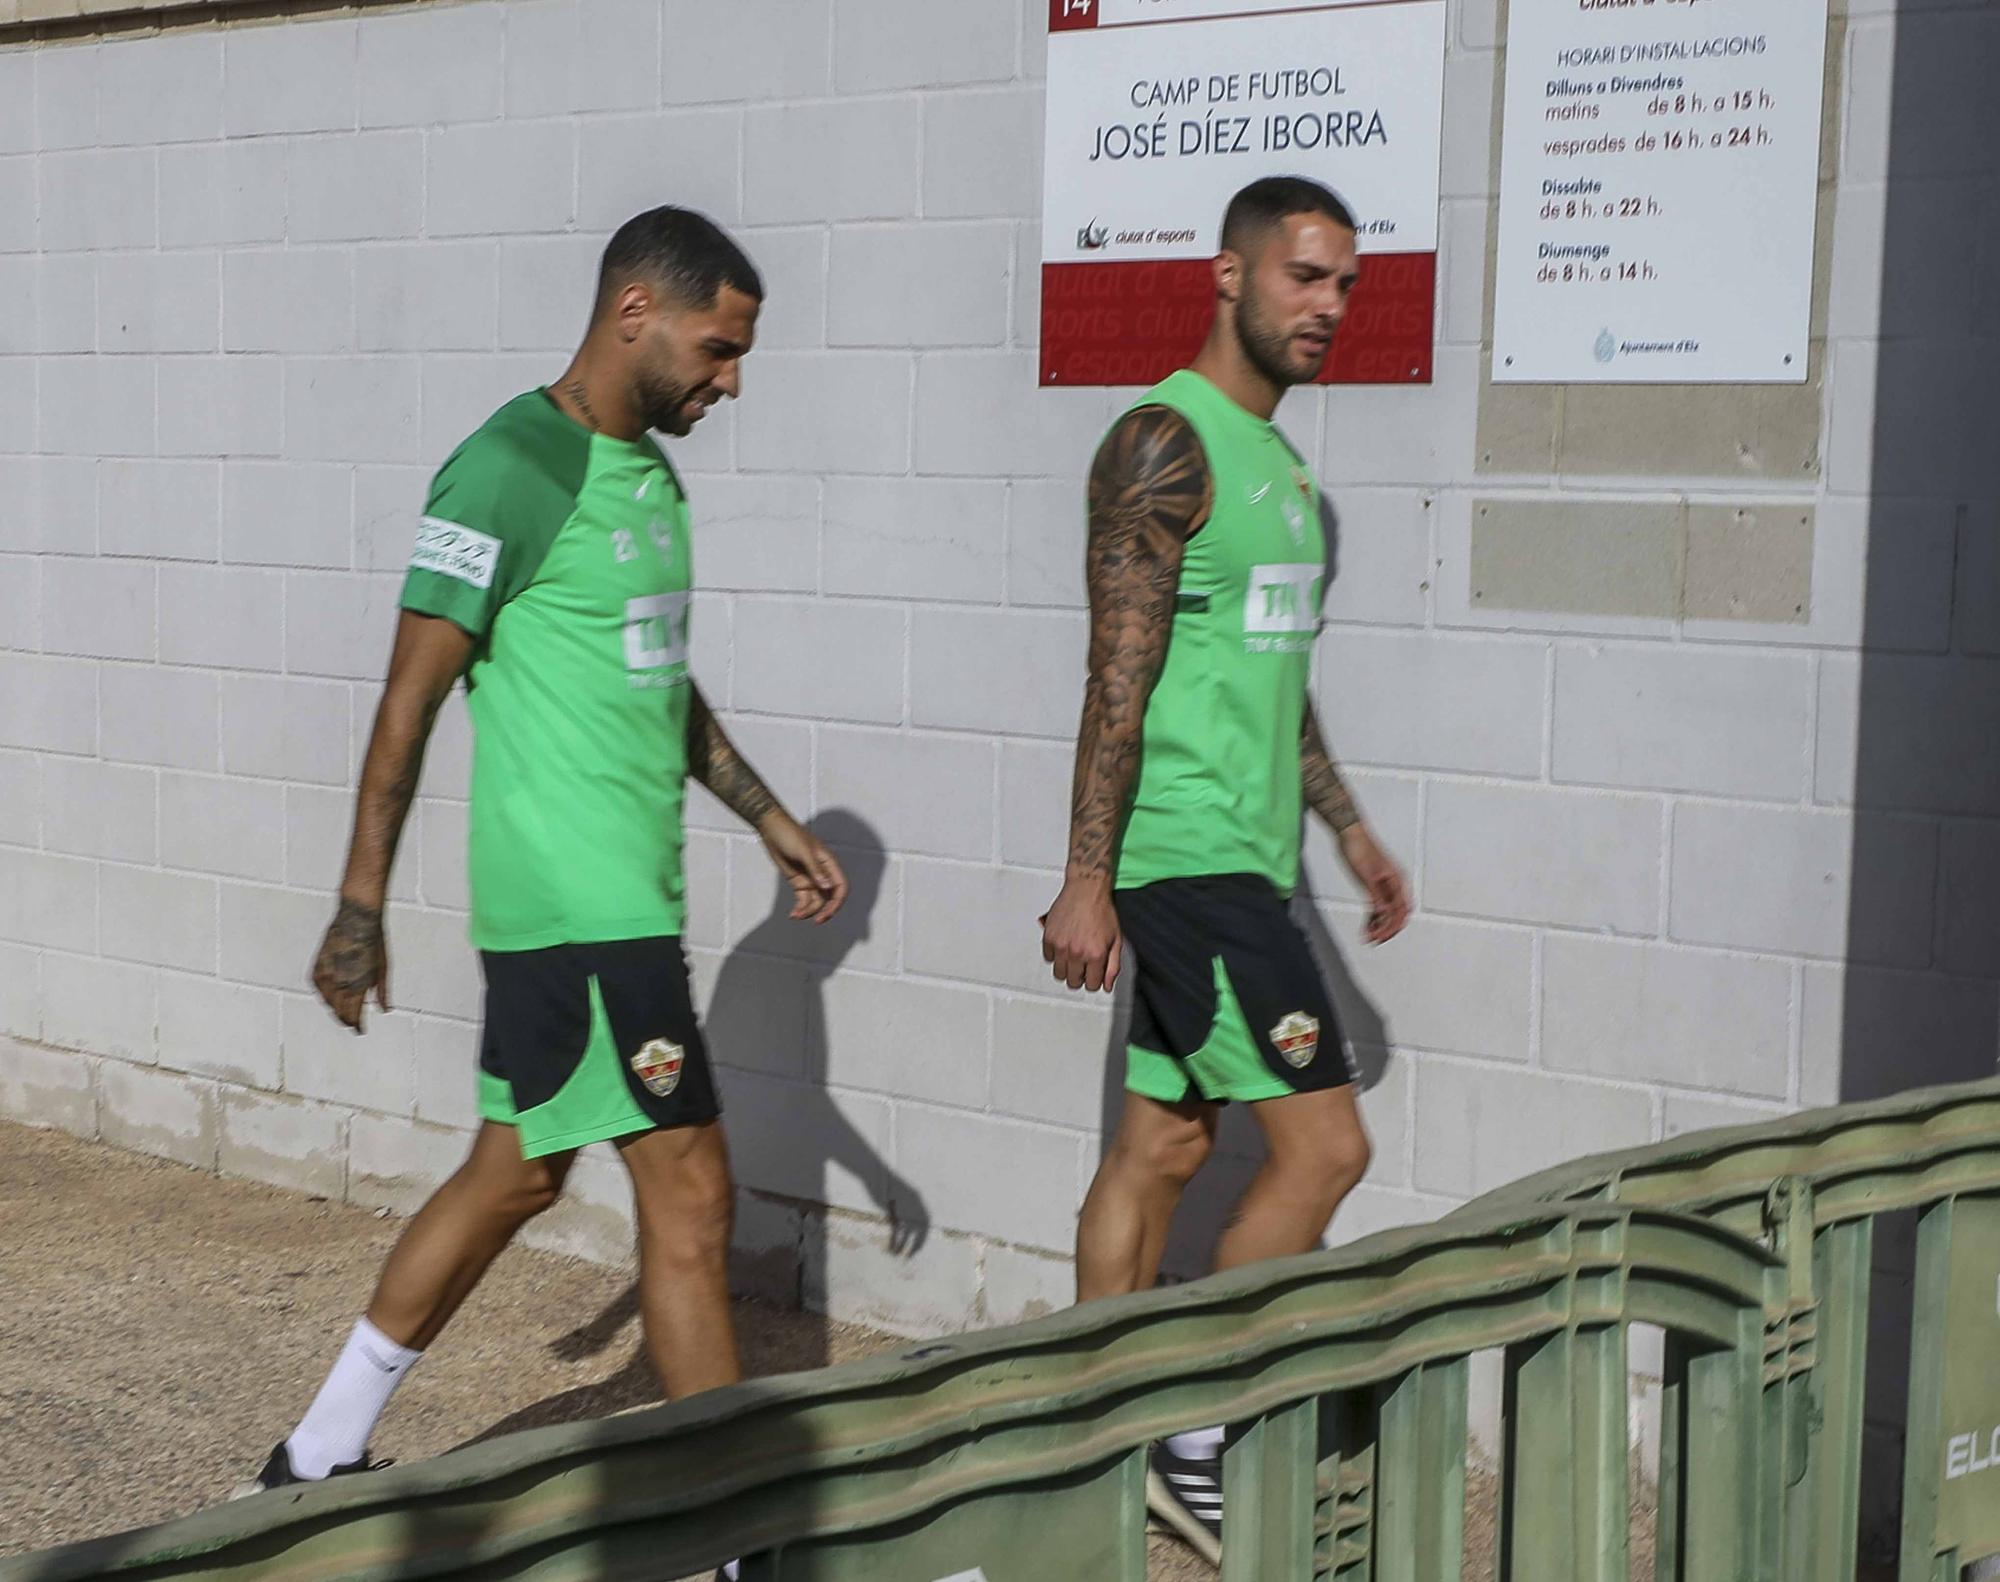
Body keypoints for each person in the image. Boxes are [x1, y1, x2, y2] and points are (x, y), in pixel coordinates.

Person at [238, 210, 845, 1582]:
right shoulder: (509, 466)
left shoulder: (650, 480)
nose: (731, 379)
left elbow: (656, 679)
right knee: (691, 1199)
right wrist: (358, 904)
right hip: (580, 919)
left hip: (620, 904)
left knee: (515, 1171)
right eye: (719, 347)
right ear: (636, 308)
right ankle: (737, 1539)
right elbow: (410, 694)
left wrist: (763, 813)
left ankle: (317, 1453)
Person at [1039, 175, 1411, 1561]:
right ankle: (1188, 1436)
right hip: (1184, 857)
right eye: (1305, 277)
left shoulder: (1293, 481)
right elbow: (1116, 670)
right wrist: (1087, 874)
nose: (1328, 308)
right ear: (1230, 274)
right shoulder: (1161, 442)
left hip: (1248, 852)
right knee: (1328, 1144)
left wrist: (1345, 823)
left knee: (1162, 1144)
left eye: (1345, 286)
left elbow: (1274, 677)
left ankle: (1093, 1423)